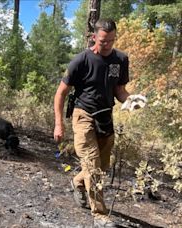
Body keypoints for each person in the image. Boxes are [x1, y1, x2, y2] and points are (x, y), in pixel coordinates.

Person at [54, 18, 132, 227]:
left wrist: (131, 100)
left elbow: (120, 90)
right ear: (94, 37)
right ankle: (99, 214)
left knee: (102, 166)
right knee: (93, 166)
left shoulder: (121, 60)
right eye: (103, 41)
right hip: (83, 115)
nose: (107, 45)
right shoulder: (81, 60)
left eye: (112, 41)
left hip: (106, 116)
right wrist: (59, 124)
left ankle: (77, 182)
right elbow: (60, 93)